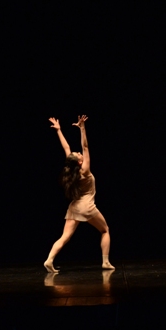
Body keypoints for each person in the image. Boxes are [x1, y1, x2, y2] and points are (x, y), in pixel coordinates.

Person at [44, 115, 113, 273]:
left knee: (65, 237)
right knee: (105, 230)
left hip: (74, 207)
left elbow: (67, 149)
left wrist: (59, 130)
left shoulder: (72, 171)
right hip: (87, 207)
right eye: (78, 154)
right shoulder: (85, 171)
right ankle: (106, 262)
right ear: (80, 162)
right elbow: (86, 147)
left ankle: (49, 260)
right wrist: (82, 129)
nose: (79, 152)